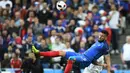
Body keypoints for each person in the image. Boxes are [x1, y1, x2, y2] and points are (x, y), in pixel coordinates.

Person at [32, 30, 111, 73]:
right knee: (61, 52)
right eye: (100, 35)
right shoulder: (98, 42)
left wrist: (108, 71)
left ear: (106, 37)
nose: (100, 36)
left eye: (102, 36)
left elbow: (108, 59)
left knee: (71, 58)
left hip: (85, 60)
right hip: (82, 56)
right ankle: (39, 53)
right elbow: (94, 58)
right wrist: (100, 64)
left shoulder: (105, 46)